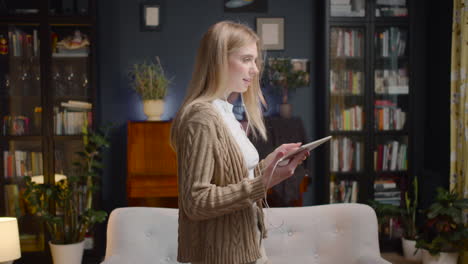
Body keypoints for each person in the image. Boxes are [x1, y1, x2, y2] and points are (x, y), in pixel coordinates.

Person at [170, 21, 309, 264]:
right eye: (246, 59)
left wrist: (272, 162)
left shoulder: (225, 111)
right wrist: (262, 183)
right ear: (218, 60)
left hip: (248, 246)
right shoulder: (201, 117)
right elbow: (195, 201)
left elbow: (237, 176)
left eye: (255, 61)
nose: (255, 70)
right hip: (222, 256)